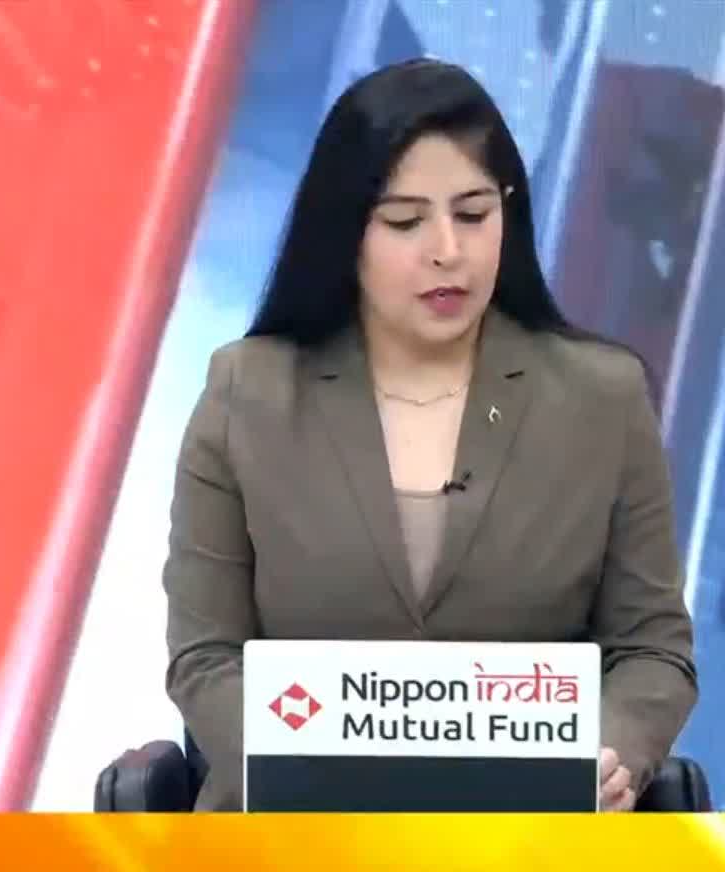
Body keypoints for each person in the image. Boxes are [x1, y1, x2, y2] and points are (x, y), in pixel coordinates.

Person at [164, 60, 697, 812]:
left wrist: (612, 755)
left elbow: (652, 651)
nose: (447, 249)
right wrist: (293, 775)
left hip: (526, 840)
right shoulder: (247, 394)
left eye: (473, 215)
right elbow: (205, 657)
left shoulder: (603, 399)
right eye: (406, 222)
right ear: (347, 231)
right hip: (294, 838)